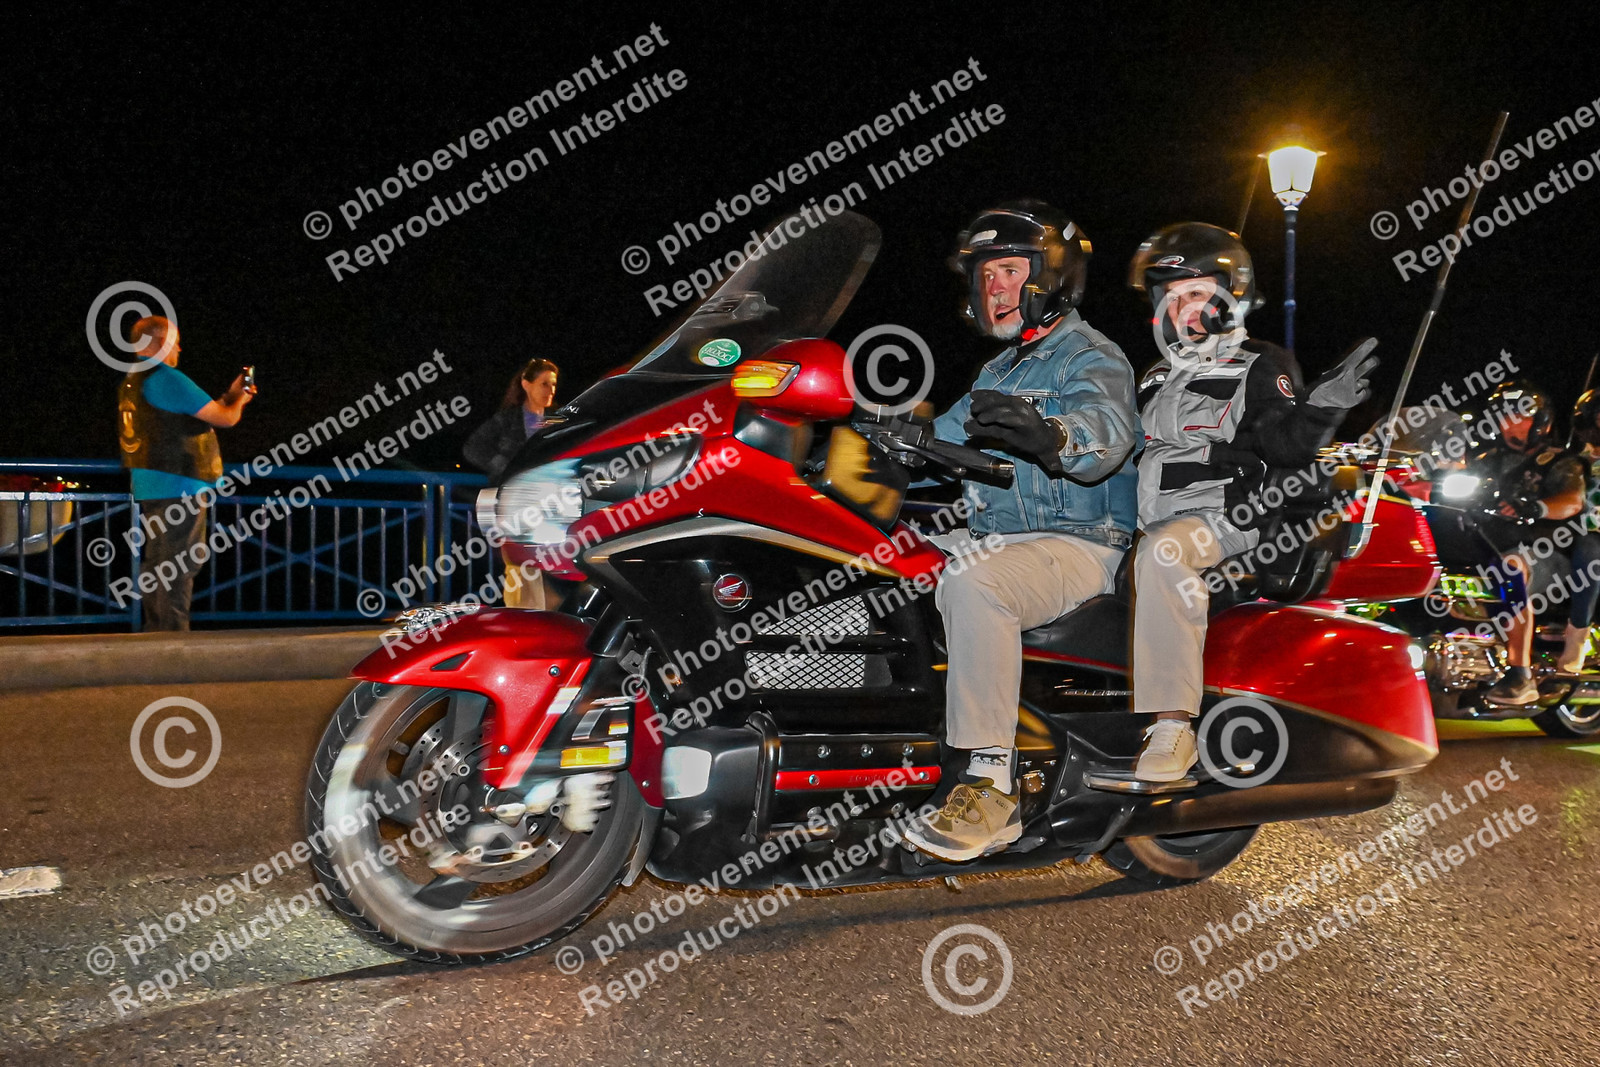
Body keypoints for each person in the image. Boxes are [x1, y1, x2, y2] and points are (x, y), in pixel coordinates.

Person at [901, 200, 1141, 861]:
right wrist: (887, 441)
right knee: (875, 560)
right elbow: (939, 441)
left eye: (1008, 270)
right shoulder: (998, 371)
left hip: (1080, 545)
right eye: (985, 275)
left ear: (1051, 275)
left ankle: (990, 786)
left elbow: (1105, 433)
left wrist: (1054, 435)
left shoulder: (1090, 355)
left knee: (976, 584)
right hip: (1003, 541)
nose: (995, 288)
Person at [1125, 223, 1376, 781]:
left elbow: (1284, 446)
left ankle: (1174, 727)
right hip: (1144, 518)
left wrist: (1320, 408)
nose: (1182, 308)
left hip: (1224, 517)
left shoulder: (1258, 361)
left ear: (1230, 294)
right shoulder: (1156, 373)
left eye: (1196, 292)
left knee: (1165, 553)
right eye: (1171, 297)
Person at [116, 315, 255, 630]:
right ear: (161, 341)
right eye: (175, 341)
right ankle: (172, 640)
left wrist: (229, 396)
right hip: (179, 485)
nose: (178, 348)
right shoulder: (168, 378)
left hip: (150, 484)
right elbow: (224, 418)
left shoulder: (132, 381)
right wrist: (240, 400)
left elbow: (199, 413)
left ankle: (156, 634)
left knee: (158, 563)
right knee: (179, 564)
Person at [1464, 381, 1588, 700]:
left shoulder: (1561, 462)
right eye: (1503, 416)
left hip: (1546, 555)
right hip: (1487, 545)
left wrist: (1536, 507)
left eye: (1518, 417)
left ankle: (1520, 675)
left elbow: (1573, 501)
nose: (1508, 424)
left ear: (1540, 422)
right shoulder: (1486, 460)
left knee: (1510, 567)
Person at [464, 358, 559, 607]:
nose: (550, 390)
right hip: (510, 501)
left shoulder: (556, 421)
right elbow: (473, 448)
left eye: (553, 384)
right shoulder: (507, 419)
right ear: (526, 385)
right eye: (544, 384)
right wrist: (505, 466)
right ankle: (523, 618)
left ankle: (537, 618)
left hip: (545, 502)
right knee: (517, 564)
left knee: (540, 564)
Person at [1561, 389, 1600, 672]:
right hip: (1568, 530)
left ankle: (1578, 634)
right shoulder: (1571, 461)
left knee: (1589, 551)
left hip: (1591, 536)